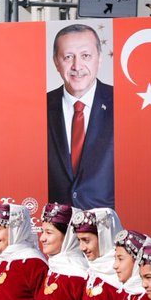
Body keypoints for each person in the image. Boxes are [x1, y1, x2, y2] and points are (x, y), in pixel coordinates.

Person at [47, 23, 115, 210]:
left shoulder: (123, 103)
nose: (77, 66)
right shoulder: (39, 107)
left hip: (108, 226)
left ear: (99, 59)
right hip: (55, 227)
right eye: (68, 57)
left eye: (85, 56)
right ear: (56, 62)